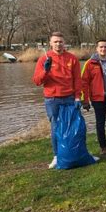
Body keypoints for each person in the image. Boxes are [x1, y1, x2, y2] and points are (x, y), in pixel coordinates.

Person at [33, 32, 82, 169]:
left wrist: (78, 97)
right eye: (55, 41)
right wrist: (45, 71)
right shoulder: (44, 59)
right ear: (51, 43)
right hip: (52, 99)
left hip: (70, 98)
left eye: (60, 41)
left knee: (75, 126)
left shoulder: (72, 59)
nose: (58, 44)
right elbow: (37, 81)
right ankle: (57, 156)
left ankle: (77, 152)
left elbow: (77, 80)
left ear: (64, 42)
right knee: (56, 127)